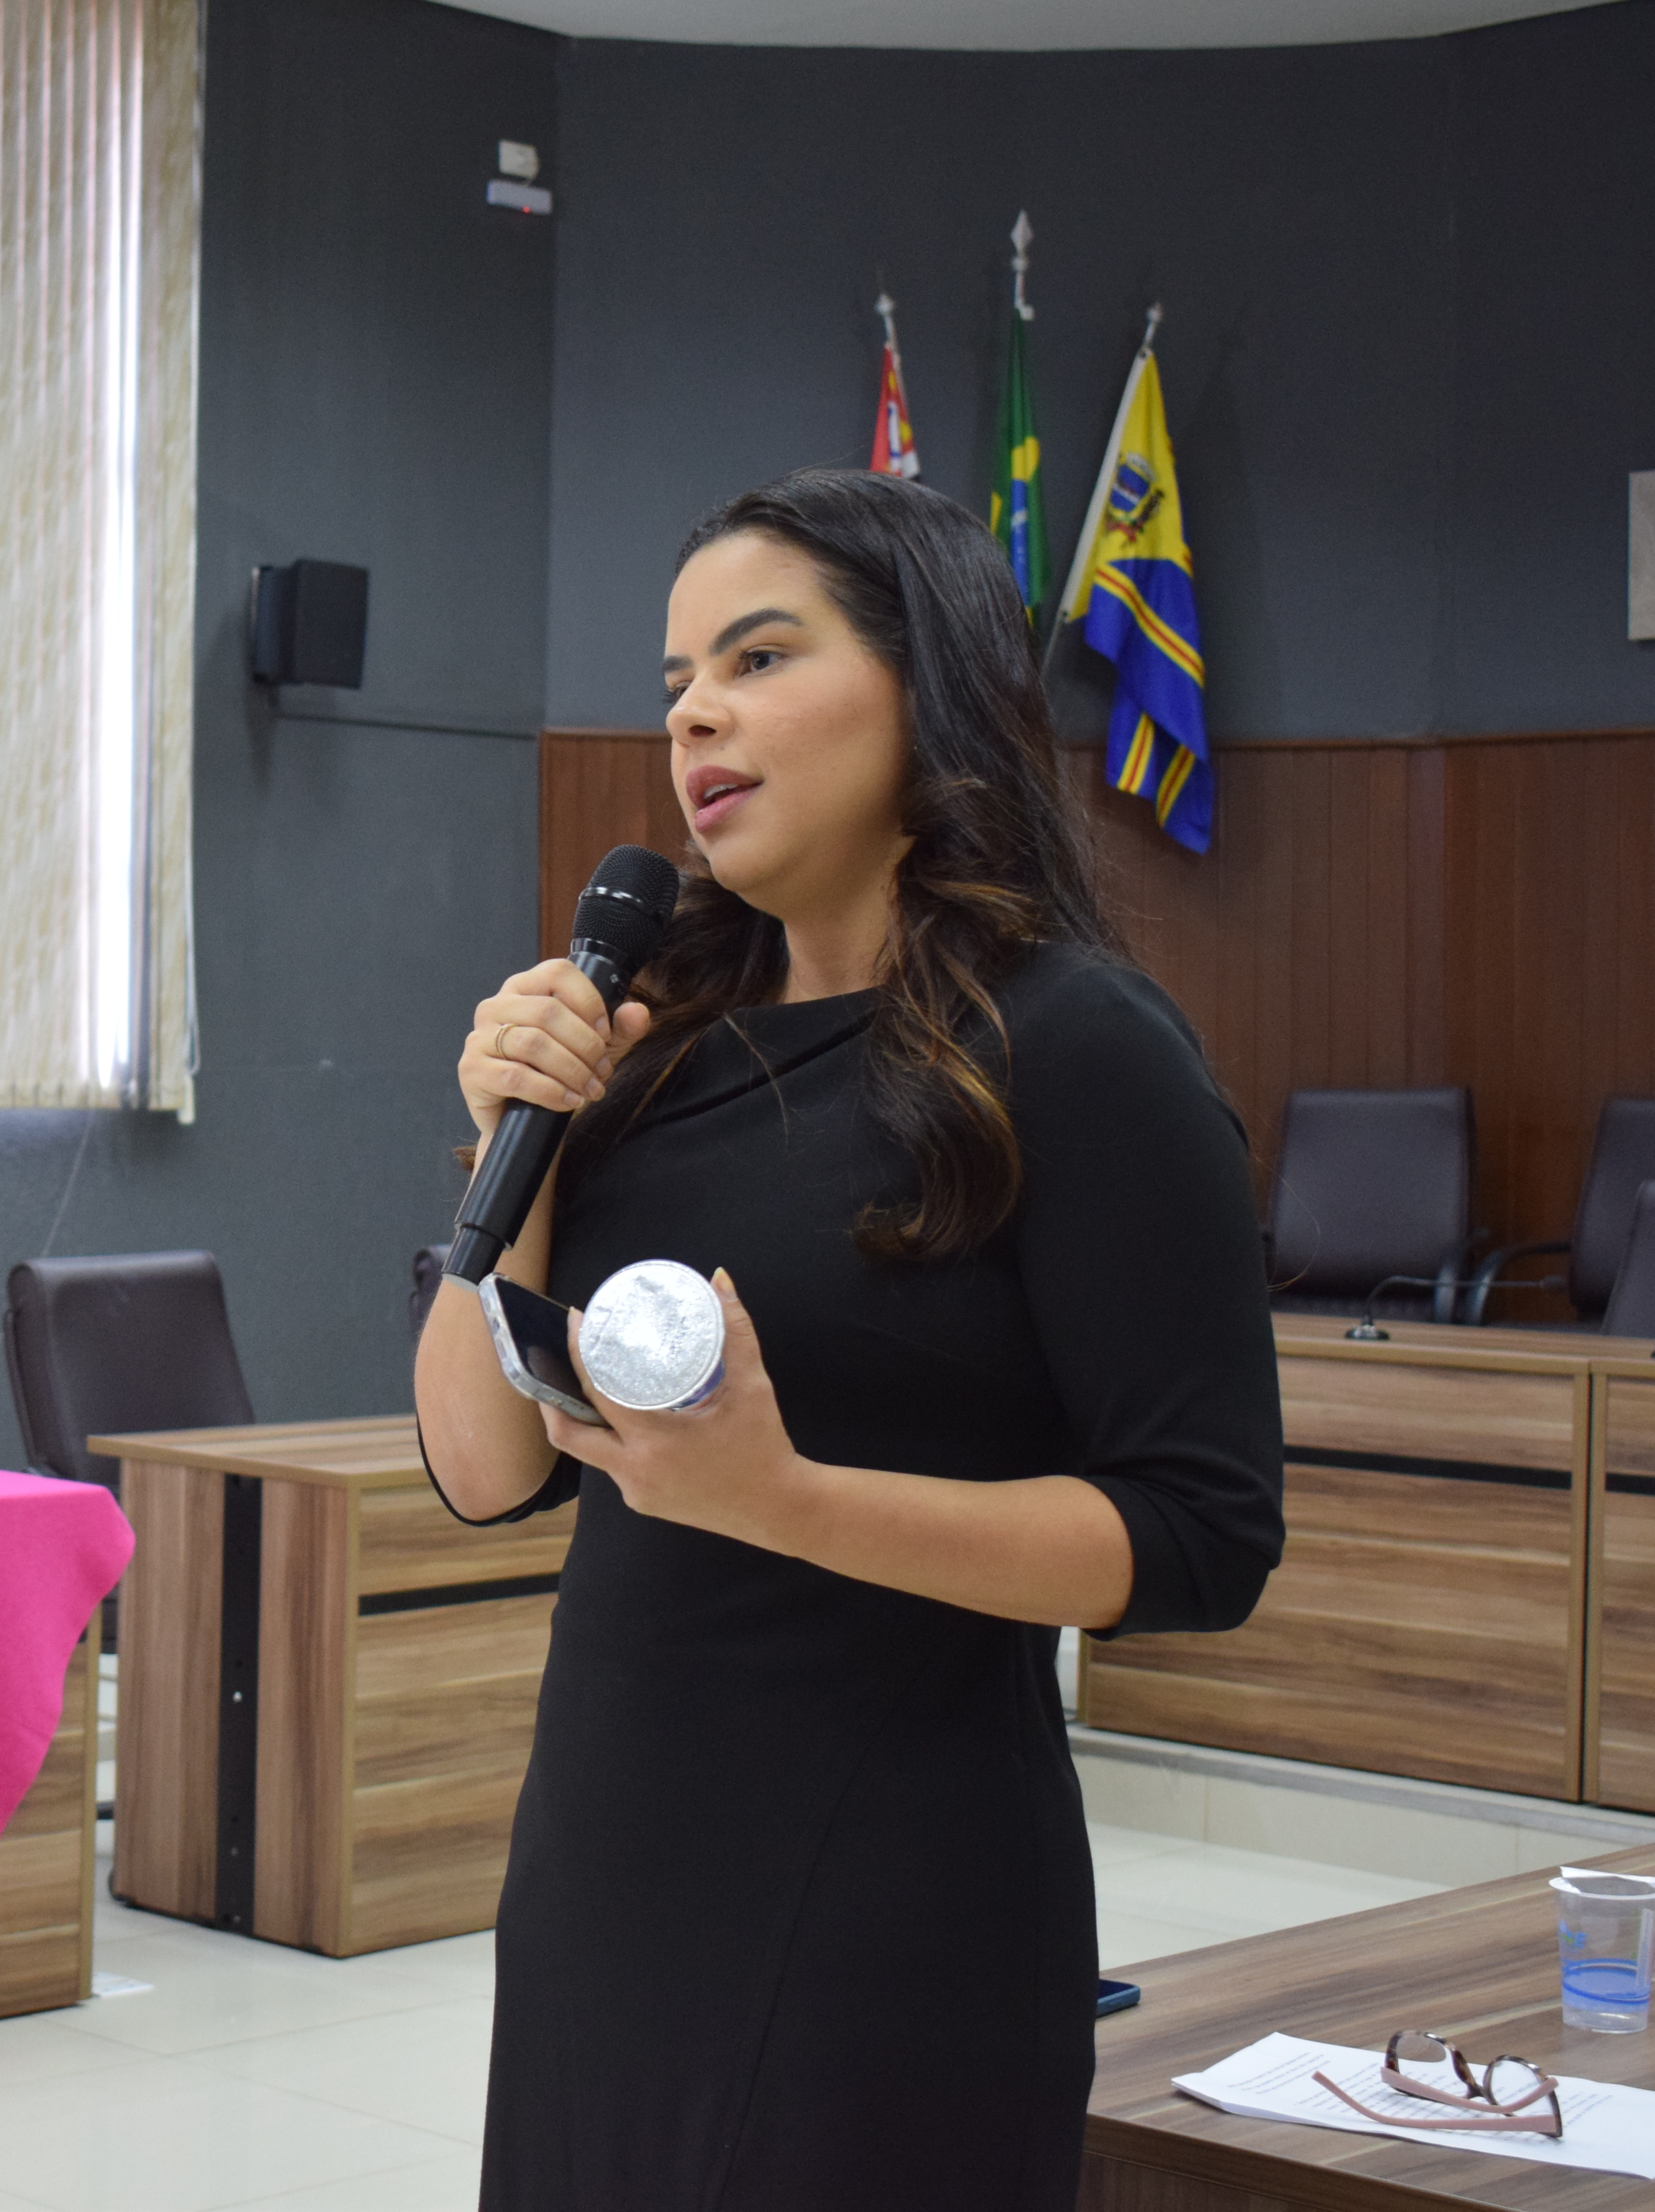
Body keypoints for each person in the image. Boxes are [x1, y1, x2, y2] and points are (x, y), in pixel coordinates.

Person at [416, 468, 1286, 2209]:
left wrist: (785, 1498)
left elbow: (1201, 1538)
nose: (697, 718)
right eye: (673, 686)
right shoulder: (655, 1055)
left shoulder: (1077, 1047)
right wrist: (513, 1150)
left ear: (926, 683)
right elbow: (485, 1467)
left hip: (894, 1902)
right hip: (612, 1874)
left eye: (756, 657)